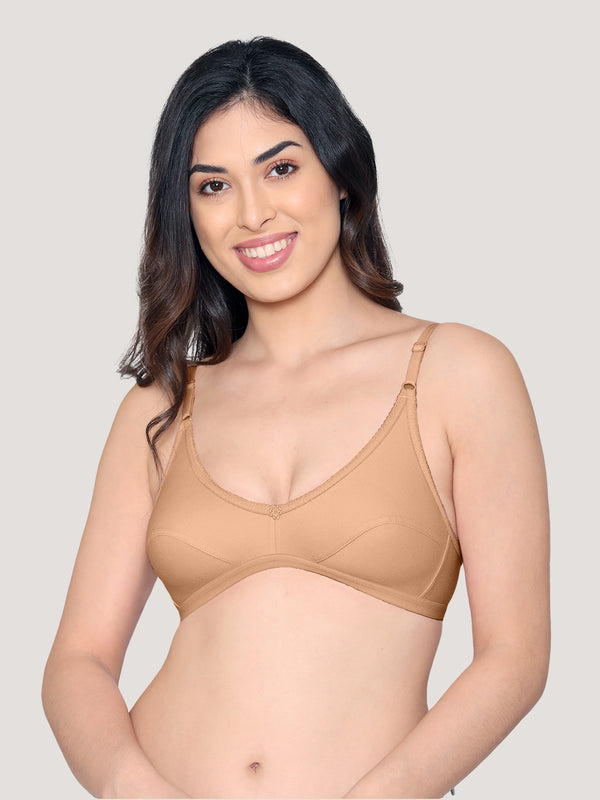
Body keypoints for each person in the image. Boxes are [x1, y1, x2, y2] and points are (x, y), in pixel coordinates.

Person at [41, 37, 550, 799]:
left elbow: (515, 656)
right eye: (213, 186)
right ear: (186, 211)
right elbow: (76, 662)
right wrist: (128, 785)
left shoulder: (459, 373)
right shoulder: (161, 407)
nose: (252, 214)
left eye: (280, 168)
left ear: (340, 175)